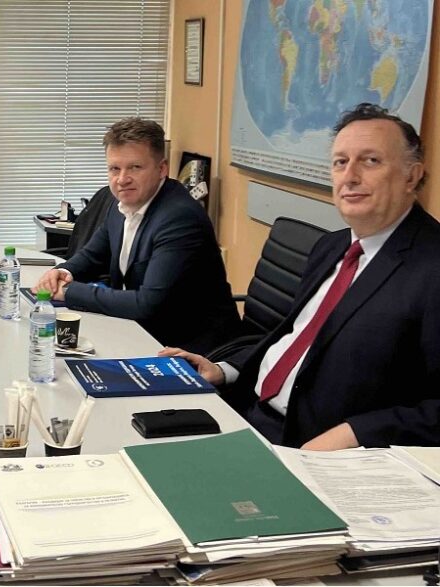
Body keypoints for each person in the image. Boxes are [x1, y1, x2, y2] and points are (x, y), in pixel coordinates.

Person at [161, 103, 440, 449]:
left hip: (316, 449)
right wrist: (223, 370)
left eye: (371, 161)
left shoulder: (431, 267)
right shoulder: (331, 246)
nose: (350, 176)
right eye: (340, 162)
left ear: (412, 176)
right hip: (245, 411)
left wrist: (353, 434)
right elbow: (296, 339)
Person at [34, 117, 239, 354]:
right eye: (114, 169)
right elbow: (93, 255)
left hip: (190, 349)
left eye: (135, 167)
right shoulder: (121, 203)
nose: (122, 179)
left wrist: (70, 292)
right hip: (138, 331)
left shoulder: (179, 218)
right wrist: (63, 272)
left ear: (162, 169)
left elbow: (147, 304)